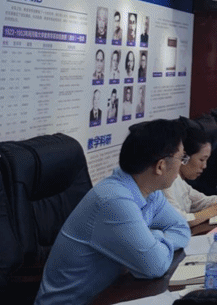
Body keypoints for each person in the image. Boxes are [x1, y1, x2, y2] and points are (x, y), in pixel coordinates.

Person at [35, 119, 190, 305]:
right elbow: (154, 266)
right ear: (160, 166)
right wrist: (156, 237)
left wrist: (152, 240)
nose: (182, 164)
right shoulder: (114, 200)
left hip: (110, 295)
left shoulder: (150, 191)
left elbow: (181, 228)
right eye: (182, 158)